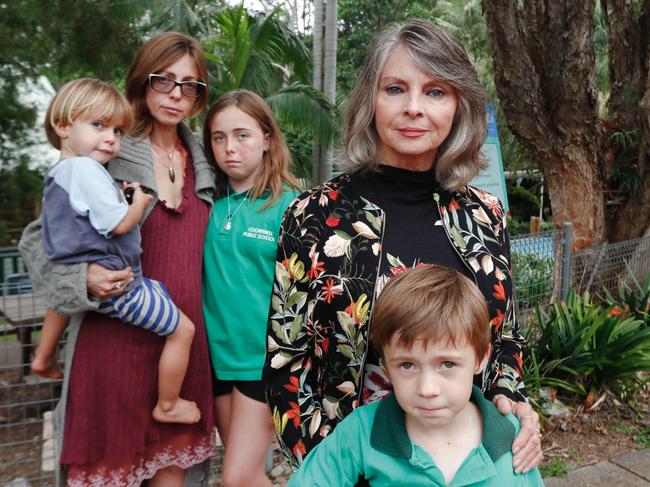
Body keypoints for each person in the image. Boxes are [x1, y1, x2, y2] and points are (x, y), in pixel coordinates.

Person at [263, 18, 542, 475]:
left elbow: (503, 338)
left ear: (459, 106)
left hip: (466, 466)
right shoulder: (313, 215)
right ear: (369, 100)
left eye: (435, 91)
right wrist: (335, 467)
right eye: (395, 88)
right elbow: (285, 363)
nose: (414, 108)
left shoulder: (485, 215)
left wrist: (514, 403)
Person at [19, 32, 215, 486]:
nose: (176, 95)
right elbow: (41, 239)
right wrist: (80, 275)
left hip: (182, 349)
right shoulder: (106, 149)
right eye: (163, 80)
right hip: (113, 346)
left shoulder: (206, 158)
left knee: (175, 474)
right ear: (141, 80)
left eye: (191, 85)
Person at [31, 77, 200, 426]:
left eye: (117, 131)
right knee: (183, 330)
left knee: (159, 296)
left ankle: (43, 355)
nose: (110, 138)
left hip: (100, 274)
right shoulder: (86, 168)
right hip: (119, 283)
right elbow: (120, 224)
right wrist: (138, 201)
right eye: (98, 126)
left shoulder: (60, 174)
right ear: (62, 125)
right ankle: (168, 404)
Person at [288, 266, 545, 486]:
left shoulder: (512, 437)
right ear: (386, 367)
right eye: (407, 366)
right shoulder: (361, 433)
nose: (427, 388)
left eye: (447, 364)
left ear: (480, 358)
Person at [202, 90, 301, 486]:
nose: (230, 148)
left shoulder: (289, 206)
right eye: (219, 137)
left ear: (267, 140)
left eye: (242, 135)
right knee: (247, 476)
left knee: (236, 477)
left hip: (261, 362)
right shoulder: (208, 203)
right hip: (214, 360)